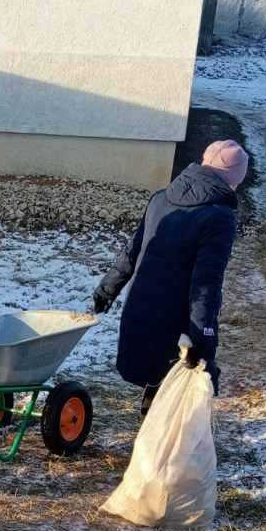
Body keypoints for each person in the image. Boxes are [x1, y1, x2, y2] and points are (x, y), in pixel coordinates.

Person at [92, 139, 248, 408]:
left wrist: (107, 289)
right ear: (231, 179)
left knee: (156, 380)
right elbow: (206, 285)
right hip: (174, 323)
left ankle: (152, 421)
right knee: (178, 387)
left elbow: (131, 251)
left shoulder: (161, 198)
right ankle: (162, 440)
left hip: (139, 310)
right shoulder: (219, 218)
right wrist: (203, 339)